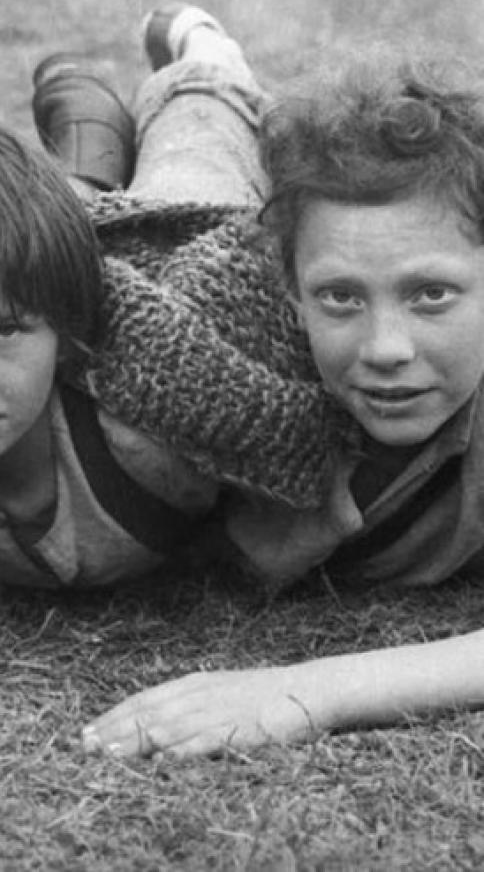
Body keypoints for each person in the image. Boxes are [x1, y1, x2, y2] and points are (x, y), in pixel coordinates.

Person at [0, 5, 336, 590]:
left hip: (153, 276)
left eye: (4, 332)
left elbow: (297, 430)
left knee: (199, 159)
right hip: (13, 273)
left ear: (65, 331)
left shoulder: (154, 418)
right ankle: (83, 144)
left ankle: (205, 65)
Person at [82, 51, 484, 758]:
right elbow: (14, 310)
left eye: (431, 295)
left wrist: (306, 692)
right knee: (190, 157)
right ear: (292, 291)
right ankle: (200, 65)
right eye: (341, 298)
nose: (386, 348)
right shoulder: (206, 349)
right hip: (201, 240)